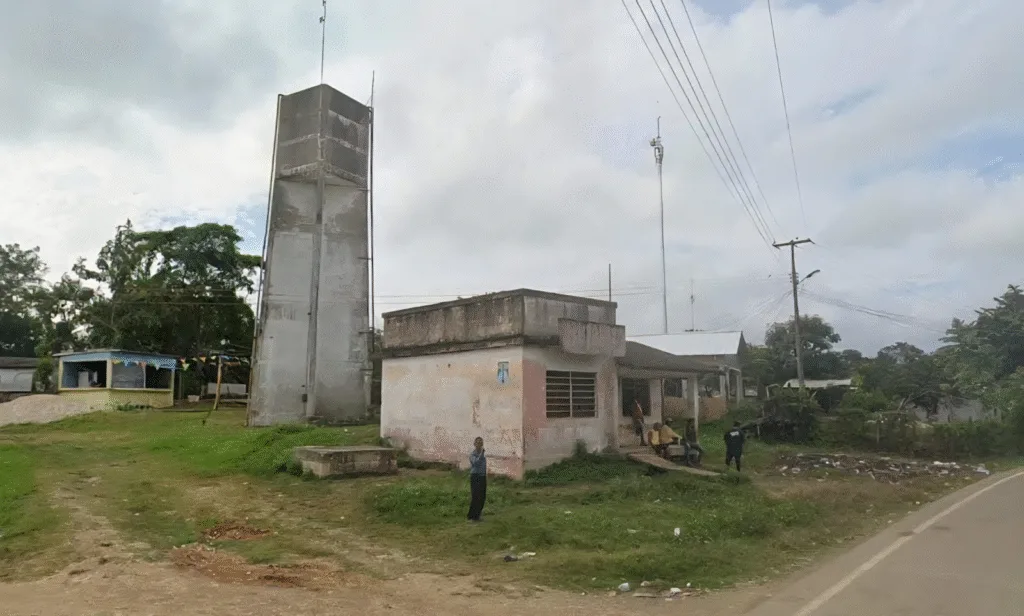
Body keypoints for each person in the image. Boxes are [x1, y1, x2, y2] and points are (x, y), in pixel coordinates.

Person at [467, 437, 487, 522]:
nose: (479, 444)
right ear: (474, 444)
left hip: (482, 477)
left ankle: (478, 515)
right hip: (475, 477)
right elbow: (476, 463)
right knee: (475, 496)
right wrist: (481, 454)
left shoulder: (483, 456)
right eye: (478, 443)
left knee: (482, 497)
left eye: (481, 443)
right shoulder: (472, 455)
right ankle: (471, 516)